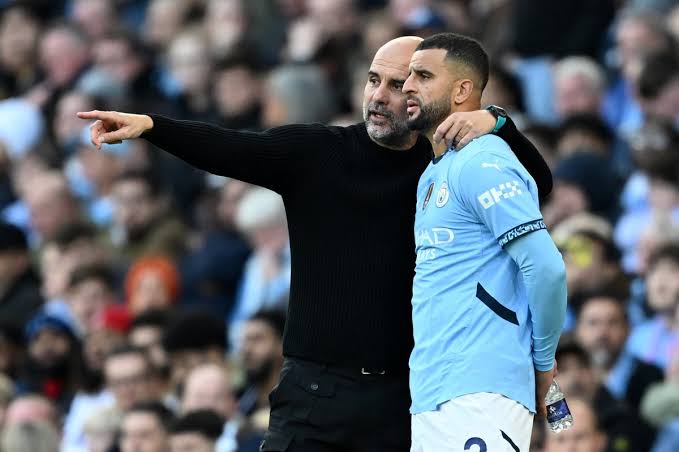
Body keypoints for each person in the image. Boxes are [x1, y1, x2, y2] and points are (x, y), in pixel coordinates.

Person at [78, 35, 552, 451]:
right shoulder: (317, 152)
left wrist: (497, 124)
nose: (380, 96)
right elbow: (229, 147)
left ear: (424, 92)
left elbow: (538, 185)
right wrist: (153, 127)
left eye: (399, 84)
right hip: (312, 395)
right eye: (372, 81)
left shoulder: (447, 167)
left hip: (402, 401)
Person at [402, 32, 567, 451]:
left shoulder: (484, 158)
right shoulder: (433, 173)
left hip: (480, 389)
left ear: (462, 90)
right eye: (408, 76)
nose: (407, 86)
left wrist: (543, 363)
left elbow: (545, 267)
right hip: (434, 392)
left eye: (422, 75)